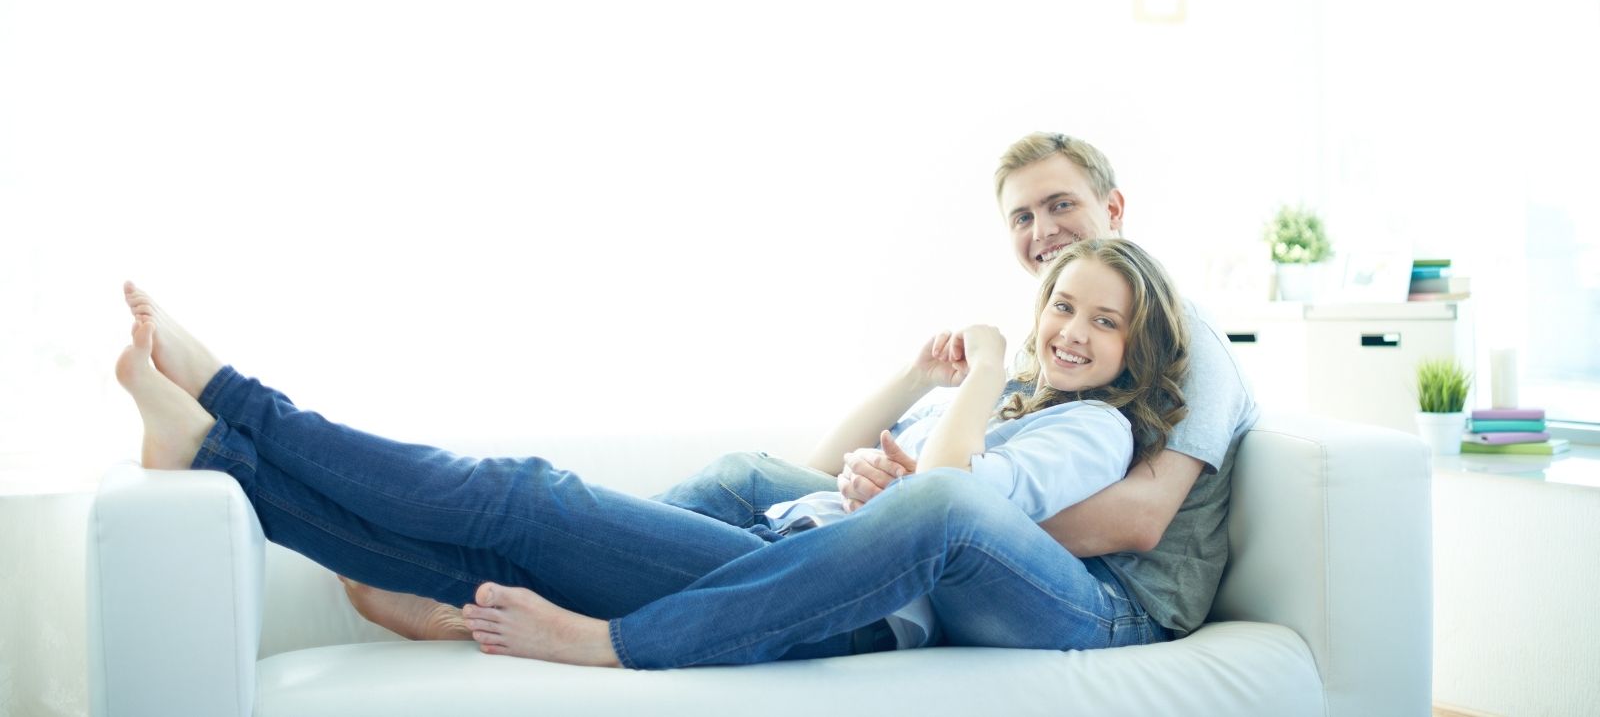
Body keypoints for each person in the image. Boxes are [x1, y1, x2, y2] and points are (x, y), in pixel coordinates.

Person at [115, 236, 1189, 667]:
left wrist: (994, 357)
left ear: (1132, 348)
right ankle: (220, 453)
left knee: (526, 501)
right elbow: (821, 462)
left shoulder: (1090, 426)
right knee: (521, 521)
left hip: (838, 604)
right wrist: (925, 379)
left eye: (1102, 322)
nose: (1073, 331)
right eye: (1062, 307)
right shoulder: (992, 404)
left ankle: (233, 401)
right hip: (787, 544)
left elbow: (950, 501)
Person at [656, 132, 1259, 643]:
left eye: (1060, 204)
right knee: (747, 479)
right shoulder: (1050, 350)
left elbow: (1139, 522)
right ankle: (600, 580)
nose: (1043, 230)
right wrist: (915, 394)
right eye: (1022, 217)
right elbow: (833, 470)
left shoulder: (1186, 338)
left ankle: (615, 614)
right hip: (989, 548)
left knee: (831, 537)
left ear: (1114, 207)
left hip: (1115, 595)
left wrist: (919, 520)